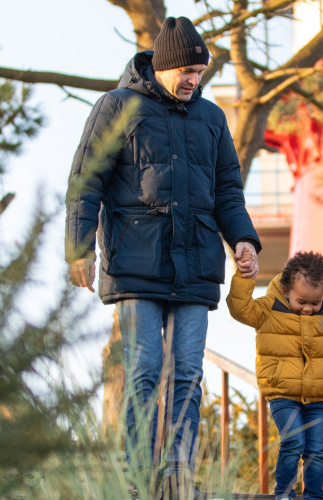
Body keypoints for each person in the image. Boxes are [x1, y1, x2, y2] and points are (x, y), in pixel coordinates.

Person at [64, 15, 260, 492]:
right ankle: (134, 474)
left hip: (195, 265)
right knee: (145, 369)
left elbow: (228, 191)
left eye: (201, 72)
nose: (195, 80)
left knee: (189, 375)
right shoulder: (117, 107)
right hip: (136, 262)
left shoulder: (212, 118)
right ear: (162, 67)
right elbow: (86, 179)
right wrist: (79, 247)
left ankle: (178, 473)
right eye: (187, 72)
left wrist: (244, 240)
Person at [226, 251, 323, 500]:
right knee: (293, 443)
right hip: (282, 393)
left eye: (314, 303)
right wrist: (244, 277)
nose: (308, 309)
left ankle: (314, 496)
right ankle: (284, 493)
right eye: (301, 302)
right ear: (285, 290)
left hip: (316, 397)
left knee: (315, 450)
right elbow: (240, 308)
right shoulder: (268, 308)